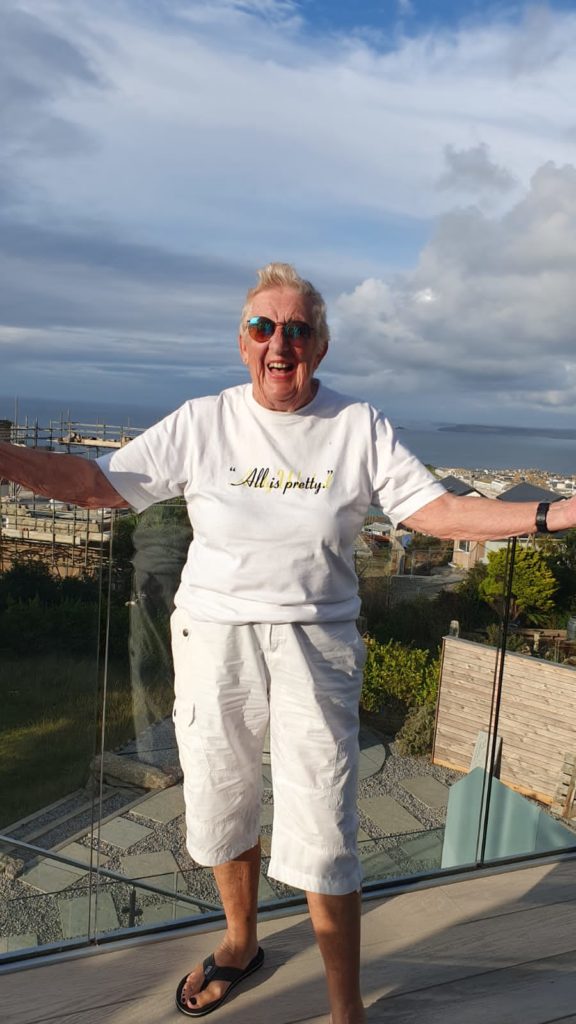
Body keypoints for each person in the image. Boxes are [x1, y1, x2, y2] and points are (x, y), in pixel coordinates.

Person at [1, 262, 575, 1024]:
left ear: (322, 345)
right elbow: (97, 486)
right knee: (218, 799)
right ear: (242, 342)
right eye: (263, 327)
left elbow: (435, 513)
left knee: (324, 822)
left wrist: (554, 517)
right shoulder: (204, 421)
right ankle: (241, 943)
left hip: (316, 645)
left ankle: (346, 1011)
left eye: (298, 329)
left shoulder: (357, 425)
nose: (281, 343)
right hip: (212, 641)